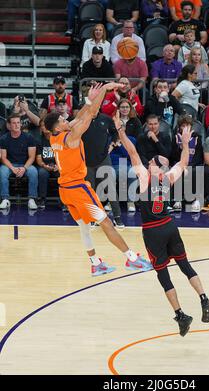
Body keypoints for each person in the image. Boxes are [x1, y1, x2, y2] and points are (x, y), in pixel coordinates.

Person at [115, 112, 209, 337]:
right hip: (170, 226)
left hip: (152, 231)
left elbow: (131, 151)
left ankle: (180, 315)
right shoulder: (168, 178)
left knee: (163, 275)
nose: (148, 161)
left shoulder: (144, 177)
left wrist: (120, 130)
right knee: (185, 265)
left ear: (154, 167)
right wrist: (187, 143)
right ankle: (204, 298)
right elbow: (184, 160)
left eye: (151, 161)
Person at [44, 82, 151, 276]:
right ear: (58, 126)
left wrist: (87, 99)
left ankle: (95, 263)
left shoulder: (56, 137)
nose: (65, 117)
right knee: (106, 223)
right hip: (78, 188)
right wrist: (104, 89)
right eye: (62, 118)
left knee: (84, 228)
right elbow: (90, 114)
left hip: (65, 191)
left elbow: (79, 116)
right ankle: (132, 259)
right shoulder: (71, 137)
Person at [0, 113, 38, 210]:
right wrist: (12, 168)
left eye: (18, 123)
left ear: (21, 124)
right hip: (10, 165)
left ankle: (31, 199)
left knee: (33, 171)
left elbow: (32, 157)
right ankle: (5, 199)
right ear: (9, 125)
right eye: (14, 123)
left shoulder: (29, 137)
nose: (16, 125)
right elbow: (3, 158)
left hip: (25, 164)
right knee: (2, 171)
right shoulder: (4, 139)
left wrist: (24, 168)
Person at [170, 114, 204, 213]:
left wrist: (189, 166)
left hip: (193, 164)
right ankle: (177, 200)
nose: (185, 128)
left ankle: (196, 200)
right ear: (179, 127)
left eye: (187, 126)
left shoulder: (197, 137)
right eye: (183, 126)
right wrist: (180, 148)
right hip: (179, 164)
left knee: (195, 171)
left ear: (191, 126)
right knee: (178, 172)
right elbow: (172, 155)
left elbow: (199, 155)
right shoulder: (176, 137)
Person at [36, 119, 59, 209]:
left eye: (46, 125)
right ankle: (42, 199)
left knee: (62, 174)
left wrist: (58, 166)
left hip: (57, 165)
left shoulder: (58, 139)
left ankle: (65, 202)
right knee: (42, 173)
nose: (44, 127)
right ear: (40, 128)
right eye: (42, 125)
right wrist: (44, 166)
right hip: (44, 166)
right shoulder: (38, 140)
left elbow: (62, 155)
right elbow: (38, 158)